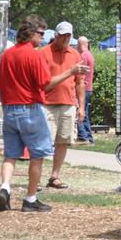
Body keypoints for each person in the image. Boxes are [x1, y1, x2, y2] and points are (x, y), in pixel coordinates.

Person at [0, 17, 55, 212]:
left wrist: (6, 109)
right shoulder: (34, 55)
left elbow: (1, 87)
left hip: (10, 110)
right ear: (30, 33)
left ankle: (5, 187)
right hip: (30, 109)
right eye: (41, 33)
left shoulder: (6, 56)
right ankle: (30, 199)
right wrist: (70, 72)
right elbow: (45, 84)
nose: (43, 37)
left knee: (10, 155)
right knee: (38, 155)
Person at [40, 22, 87, 189]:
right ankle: (35, 177)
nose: (66, 38)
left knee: (63, 141)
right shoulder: (43, 53)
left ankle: (54, 177)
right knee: (43, 142)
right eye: (63, 35)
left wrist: (81, 107)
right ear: (56, 35)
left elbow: (80, 83)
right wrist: (70, 72)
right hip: (46, 104)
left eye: (69, 35)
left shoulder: (75, 55)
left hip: (68, 104)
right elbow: (44, 84)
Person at [76, 36, 95, 144]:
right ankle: (89, 137)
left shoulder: (83, 56)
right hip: (89, 88)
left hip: (83, 88)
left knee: (80, 112)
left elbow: (79, 74)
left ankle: (83, 136)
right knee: (85, 114)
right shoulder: (90, 55)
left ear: (80, 44)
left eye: (77, 45)